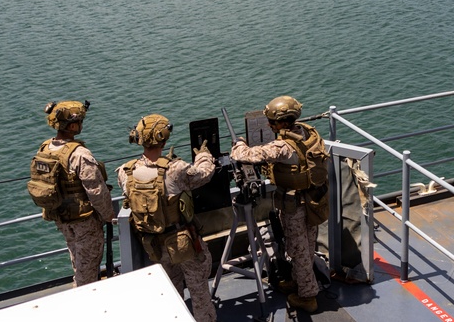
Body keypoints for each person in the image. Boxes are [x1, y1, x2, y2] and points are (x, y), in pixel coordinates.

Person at [230, 96, 329, 314]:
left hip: (296, 206)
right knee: (307, 246)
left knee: (298, 250)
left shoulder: (283, 146)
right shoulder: (308, 133)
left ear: (282, 123)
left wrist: (239, 144)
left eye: (272, 122)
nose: (269, 125)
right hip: (313, 201)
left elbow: (246, 155)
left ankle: (308, 296)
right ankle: (299, 281)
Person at [118, 115, 217, 322]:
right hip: (182, 242)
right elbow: (204, 174)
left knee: (171, 290)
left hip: (153, 244)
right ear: (163, 140)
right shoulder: (175, 169)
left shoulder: (126, 172)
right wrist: (204, 155)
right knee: (199, 290)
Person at [29, 100, 115, 286]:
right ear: (73, 126)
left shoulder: (45, 148)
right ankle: (84, 296)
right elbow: (96, 190)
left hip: (61, 217)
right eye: (80, 121)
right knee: (88, 268)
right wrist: (108, 214)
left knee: (78, 259)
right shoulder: (80, 154)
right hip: (83, 221)